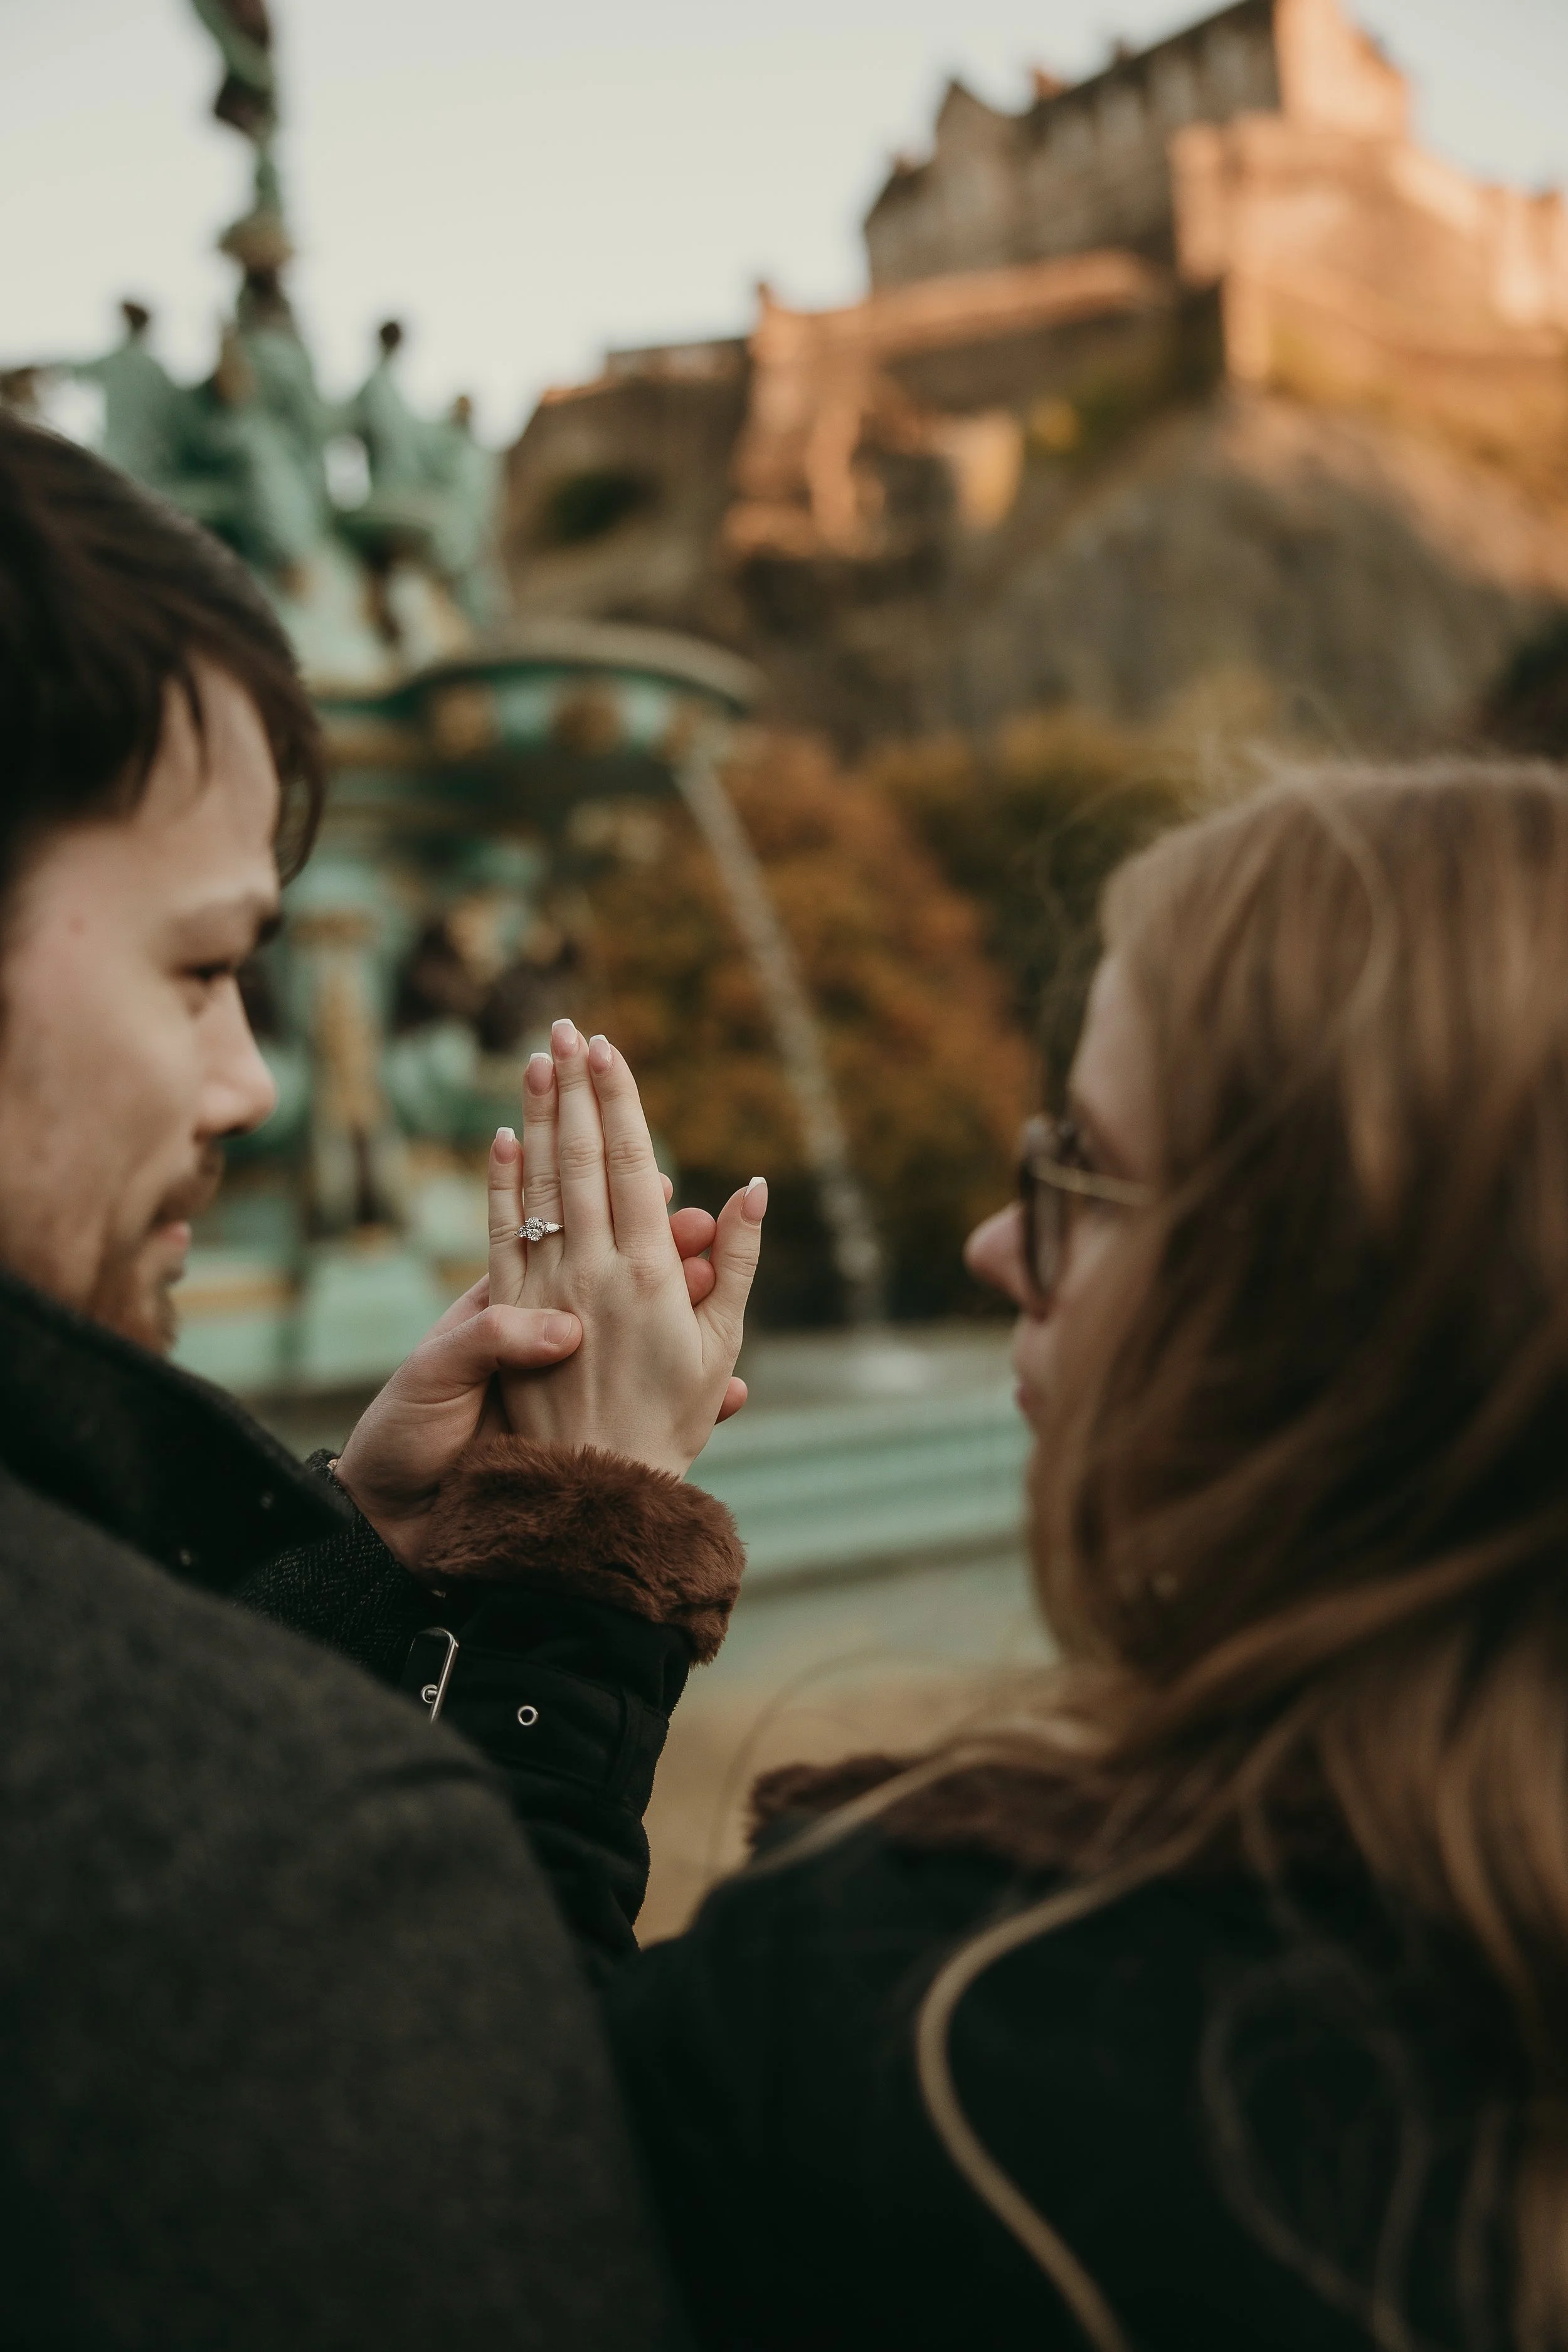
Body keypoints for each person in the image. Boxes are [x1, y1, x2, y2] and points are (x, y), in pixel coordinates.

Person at [380, 765, 1568, 2351]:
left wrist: (574, 1546)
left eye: (1076, 1172)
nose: (995, 1247)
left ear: (1325, 1303)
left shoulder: (940, 2034)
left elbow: (450, 2200)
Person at [0, 411, 768, 2348]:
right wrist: (576, 1592)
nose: (253, 1081)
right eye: (196, 972)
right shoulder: (282, 1867)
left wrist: (355, 1551)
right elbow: (517, 2195)